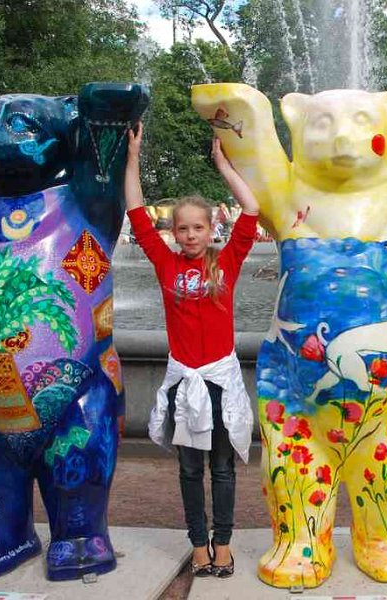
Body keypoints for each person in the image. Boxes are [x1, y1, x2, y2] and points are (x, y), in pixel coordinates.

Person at [124, 124, 258, 578]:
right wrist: (133, 157)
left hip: (219, 380)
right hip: (184, 379)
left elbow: (252, 209)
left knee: (222, 469)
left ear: (211, 228)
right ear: (174, 232)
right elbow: (136, 213)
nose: (190, 235)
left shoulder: (227, 261)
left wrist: (223, 165)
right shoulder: (165, 263)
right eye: (182, 228)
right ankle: (198, 545)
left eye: (198, 227)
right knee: (188, 470)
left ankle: (224, 544)